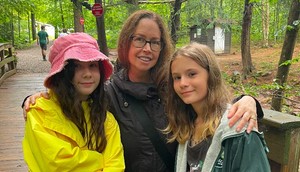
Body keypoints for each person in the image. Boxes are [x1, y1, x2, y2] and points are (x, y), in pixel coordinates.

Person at [23, 10, 263, 172]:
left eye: (154, 41)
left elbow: (210, 104)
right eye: (139, 39)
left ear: (162, 46)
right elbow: (69, 105)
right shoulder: (107, 94)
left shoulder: (174, 88)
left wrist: (249, 101)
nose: (147, 48)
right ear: (126, 41)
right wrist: (34, 98)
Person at [22, 33, 125, 171]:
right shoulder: (40, 112)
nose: (87, 73)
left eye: (93, 65)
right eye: (77, 66)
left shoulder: (106, 120)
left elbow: (115, 166)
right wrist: (100, 160)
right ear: (62, 72)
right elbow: (55, 164)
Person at [164, 42, 270, 171]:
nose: (183, 83)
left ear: (211, 75)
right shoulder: (186, 123)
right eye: (177, 77)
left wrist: (249, 100)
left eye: (192, 74)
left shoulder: (238, 127)